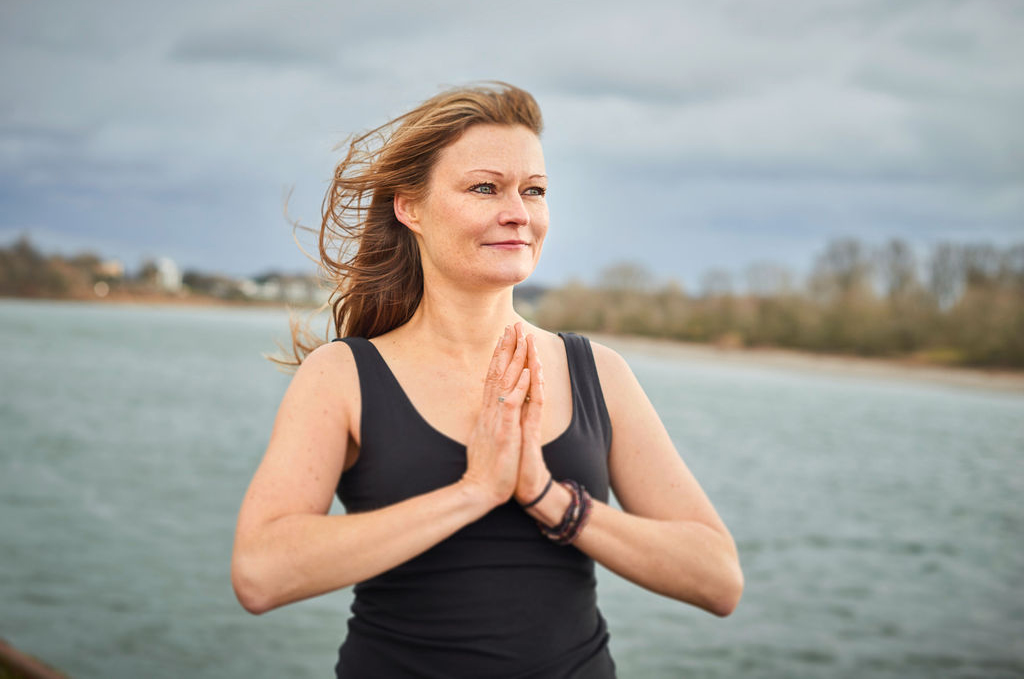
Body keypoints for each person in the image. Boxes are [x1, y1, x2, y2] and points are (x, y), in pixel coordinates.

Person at [231, 82, 743, 678]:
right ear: (409, 207)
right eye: (484, 187)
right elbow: (260, 573)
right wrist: (471, 492)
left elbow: (719, 578)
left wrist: (549, 499)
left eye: (534, 191)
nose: (518, 213)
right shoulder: (344, 376)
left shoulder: (597, 373)